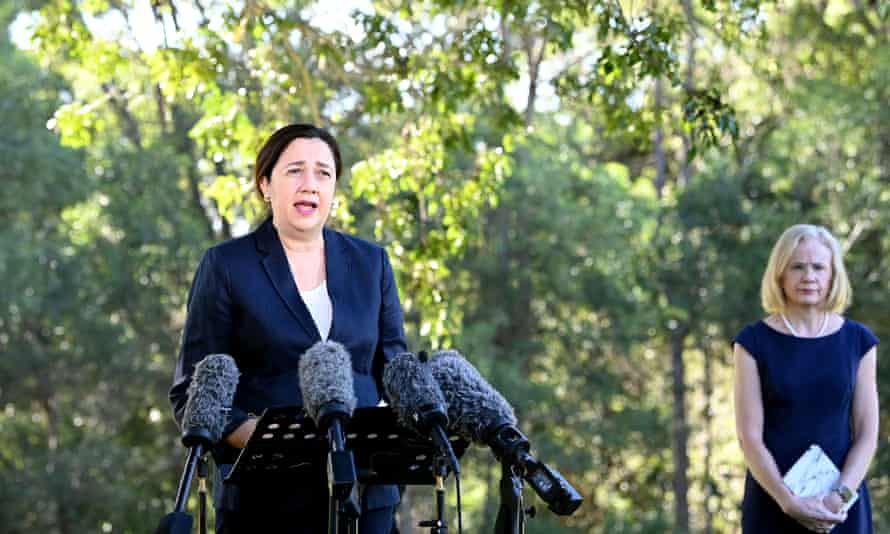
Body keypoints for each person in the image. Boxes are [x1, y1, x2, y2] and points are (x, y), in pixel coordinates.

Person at [169, 124, 405, 533]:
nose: (310, 184)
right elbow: (192, 392)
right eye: (295, 170)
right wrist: (269, 440)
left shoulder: (373, 263)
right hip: (266, 502)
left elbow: (395, 371)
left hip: (368, 501)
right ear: (266, 185)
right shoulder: (227, 266)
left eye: (323, 173)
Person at [733, 224, 879, 533]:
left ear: (832, 276)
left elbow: (867, 434)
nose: (808, 276)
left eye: (818, 267)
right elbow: (749, 438)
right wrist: (787, 501)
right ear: (780, 275)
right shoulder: (751, 343)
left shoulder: (859, 341)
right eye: (797, 266)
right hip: (773, 503)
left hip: (841, 505)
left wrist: (838, 499)